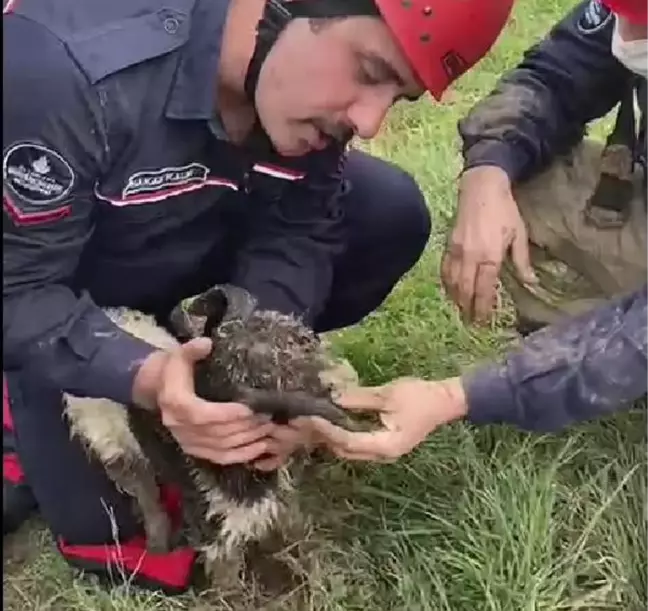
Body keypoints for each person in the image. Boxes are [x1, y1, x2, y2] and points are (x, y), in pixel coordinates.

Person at [2, 0, 515, 594]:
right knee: (112, 537)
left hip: (185, 245)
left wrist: (256, 357)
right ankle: (22, 406)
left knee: (387, 212)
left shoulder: (299, 84)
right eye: (371, 71)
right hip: (64, 282)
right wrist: (140, 374)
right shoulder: (62, 67)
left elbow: (301, 228)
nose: (371, 122)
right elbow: (16, 290)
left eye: (395, 96)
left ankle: (187, 340)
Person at [306, 0, 648, 461]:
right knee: (524, 183)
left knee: (632, 341)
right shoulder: (626, 15)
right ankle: (584, 352)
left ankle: (594, 362)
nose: (625, 34)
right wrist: (488, 172)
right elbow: (552, 79)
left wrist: (461, 395)